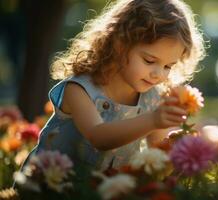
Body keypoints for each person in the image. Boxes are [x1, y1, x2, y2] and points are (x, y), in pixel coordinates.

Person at [20, 0, 205, 172]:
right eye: (149, 61)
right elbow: (98, 137)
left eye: (168, 66)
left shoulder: (154, 97)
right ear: (120, 45)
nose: (158, 74)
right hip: (49, 185)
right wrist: (154, 120)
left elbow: (159, 150)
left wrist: (181, 146)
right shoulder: (79, 89)